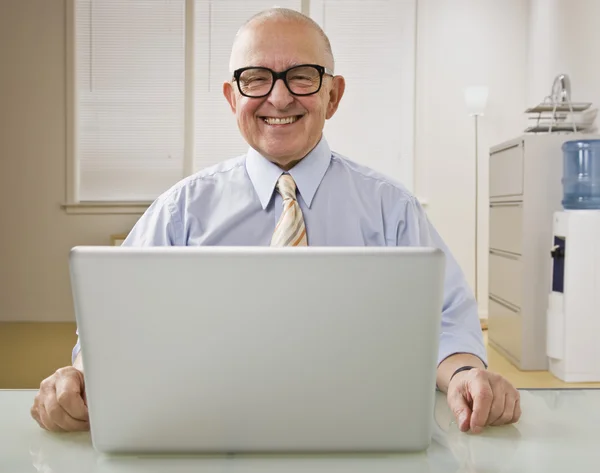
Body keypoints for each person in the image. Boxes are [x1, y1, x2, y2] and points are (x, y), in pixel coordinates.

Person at [31, 7, 520, 435]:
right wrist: (78, 378)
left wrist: (463, 376)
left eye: (302, 76)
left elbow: (447, 321)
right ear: (231, 97)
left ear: (333, 94)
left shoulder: (392, 209)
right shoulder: (181, 211)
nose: (280, 98)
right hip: (207, 429)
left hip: (359, 430)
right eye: (256, 78)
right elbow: (111, 324)